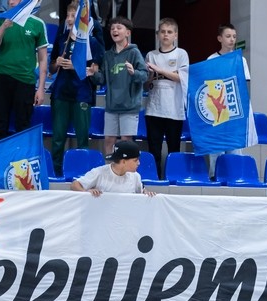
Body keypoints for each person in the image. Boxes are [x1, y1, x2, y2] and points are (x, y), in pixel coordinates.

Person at [49, 1, 103, 178]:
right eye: (68, 16)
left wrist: (76, 66)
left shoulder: (91, 42)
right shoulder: (61, 38)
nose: (70, 19)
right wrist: (56, 63)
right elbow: (51, 68)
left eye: (74, 16)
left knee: (82, 138)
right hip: (61, 93)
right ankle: (56, 173)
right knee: (58, 138)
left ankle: (82, 174)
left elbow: (95, 71)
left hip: (82, 93)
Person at [0, 0, 47, 142]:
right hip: (1, 77)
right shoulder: (1, 19)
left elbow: (43, 58)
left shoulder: (37, 23)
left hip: (25, 80)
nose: (11, 1)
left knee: (23, 125)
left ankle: (21, 155)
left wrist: (41, 88)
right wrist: (4, 27)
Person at [91, 16, 146, 157]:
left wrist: (134, 73)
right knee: (109, 140)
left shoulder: (134, 52)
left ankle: (125, 169)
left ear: (128, 33)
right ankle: (110, 168)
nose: (114, 30)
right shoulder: (107, 55)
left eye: (119, 28)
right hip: (111, 107)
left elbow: (144, 75)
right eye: (112, 28)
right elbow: (102, 80)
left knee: (126, 141)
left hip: (129, 107)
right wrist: (93, 74)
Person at [144, 17, 189, 179]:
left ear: (175, 35)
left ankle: (173, 179)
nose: (166, 35)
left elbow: (181, 78)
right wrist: (150, 76)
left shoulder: (181, 54)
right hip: (154, 109)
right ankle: (155, 179)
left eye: (169, 32)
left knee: (174, 149)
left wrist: (160, 70)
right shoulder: (151, 55)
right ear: (158, 34)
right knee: (154, 149)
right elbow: (146, 85)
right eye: (163, 32)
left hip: (174, 110)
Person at [205, 23, 251, 177]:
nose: (232, 39)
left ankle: (235, 176)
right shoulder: (211, 59)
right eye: (228, 36)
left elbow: (243, 85)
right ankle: (215, 176)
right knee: (217, 148)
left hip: (234, 110)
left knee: (235, 148)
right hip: (217, 111)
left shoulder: (240, 60)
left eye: (234, 37)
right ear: (220, 38)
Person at [70, 139, 154, 196]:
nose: (139, 163)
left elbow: (142, 192)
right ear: (123, 161)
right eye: (135, 160)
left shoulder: (136, 176)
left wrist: (147, 193)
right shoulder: (99, 173)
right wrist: (86, 193)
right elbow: (75, 185)